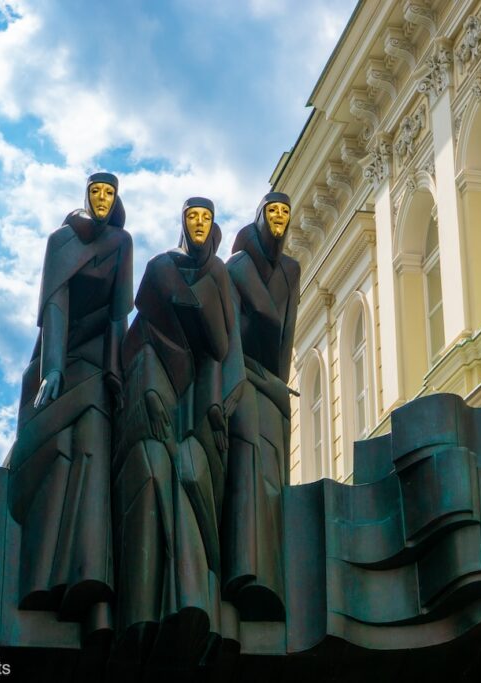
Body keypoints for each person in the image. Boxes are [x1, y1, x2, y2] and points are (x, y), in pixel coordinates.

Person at [112, 197, 244, 667]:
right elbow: (141, 335)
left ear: (214, 227)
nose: (199, 224)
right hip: (159, 393)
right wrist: (146, 386)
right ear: (183, 223)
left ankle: (194, 605)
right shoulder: (160, 269)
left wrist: (215, 407)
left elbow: (225, 352)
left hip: (201, 404)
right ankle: (143, 613)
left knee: (190, 472)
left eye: (206, 218)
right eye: (192, 217)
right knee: (152, 472)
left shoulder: (220, 277)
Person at [5, 172, 132, 632]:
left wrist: (116, 371)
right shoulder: (62, 239)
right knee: (55, 453)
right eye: (96, 192)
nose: (102, 199)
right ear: (86, 197)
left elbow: (121, 312)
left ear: (116, 200)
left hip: (100, 360)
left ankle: (90, 578)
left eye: (109, 194)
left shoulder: (122, 241)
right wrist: (53, 367)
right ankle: (41, 574)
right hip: (59, 357)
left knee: (92, 452)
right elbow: (55, 305)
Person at [222, 192, 298, 620]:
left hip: (271, 383)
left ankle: (270, 571)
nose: (279, 218)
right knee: (249, 460)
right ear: (259, 217)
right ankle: (246, 569)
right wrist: (234, 382)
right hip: (242, 377)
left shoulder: (291, 270)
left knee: (271, 470)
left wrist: (281, 387)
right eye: (273, 211)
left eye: (285, 213)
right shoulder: (236, 267)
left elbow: (285, 338)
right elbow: (229, 334)